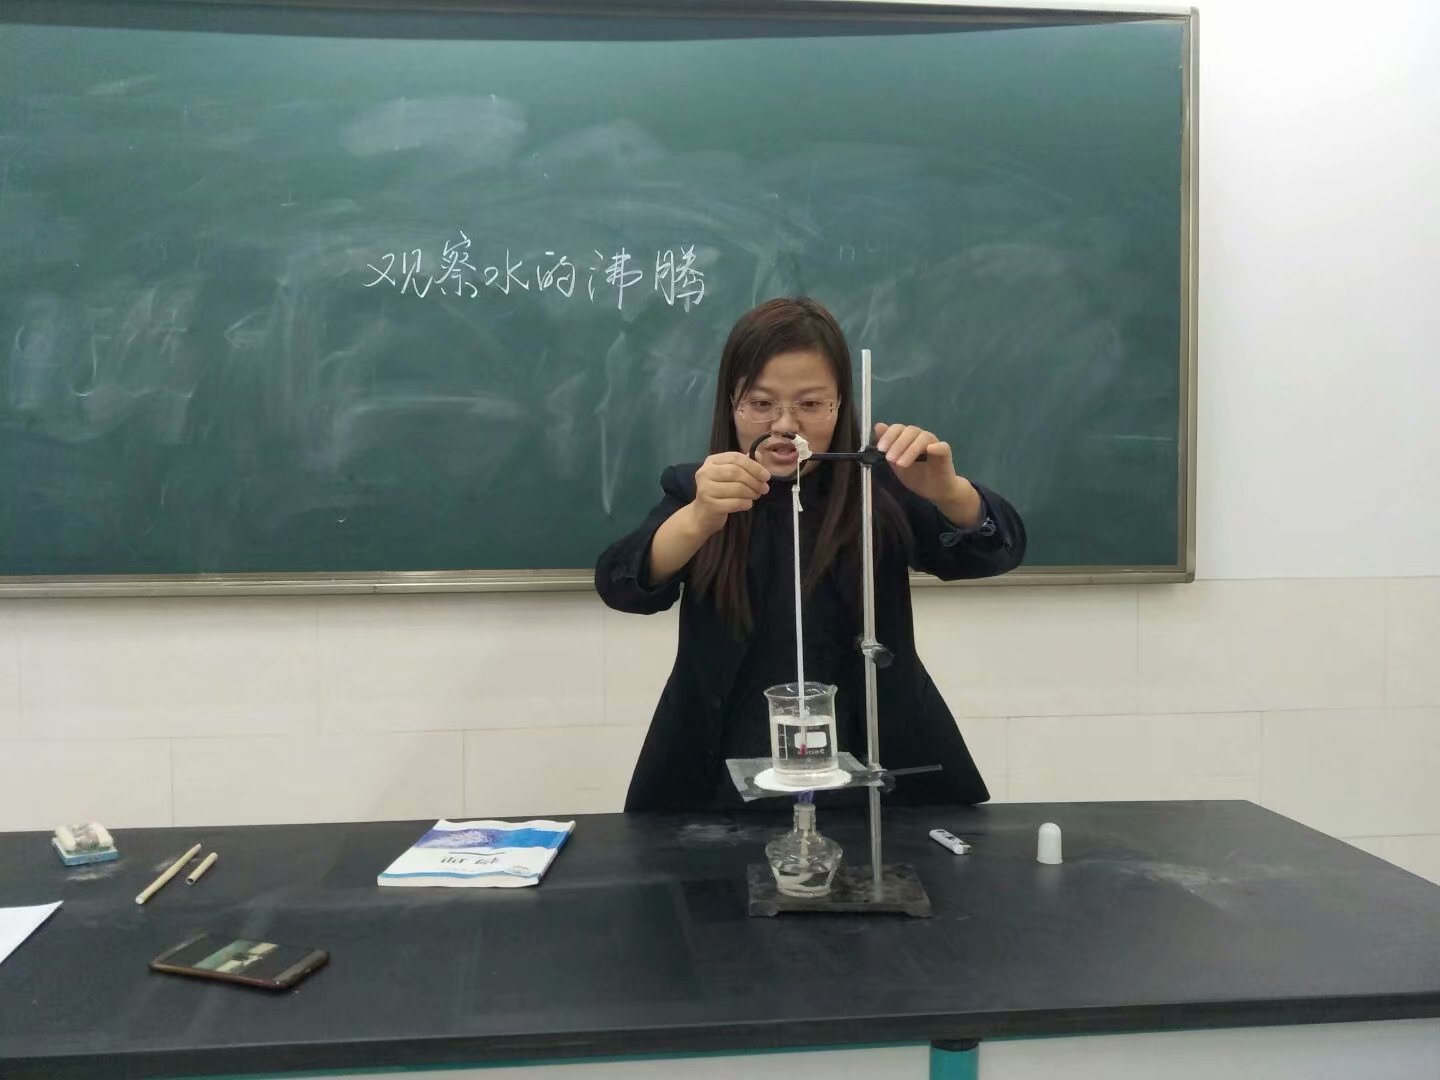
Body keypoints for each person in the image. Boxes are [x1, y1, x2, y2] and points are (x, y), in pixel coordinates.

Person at [595, 297, 1026, 812]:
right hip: (722, 771)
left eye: (811, 404)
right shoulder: (698, 489)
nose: (785, 425)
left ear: (841, 405)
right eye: (761, 404)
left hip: (876, 770)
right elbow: (621, 585)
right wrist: (698, 517)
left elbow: (995, 552)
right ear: (731, 405)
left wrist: (949, 493)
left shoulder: (881, 485)